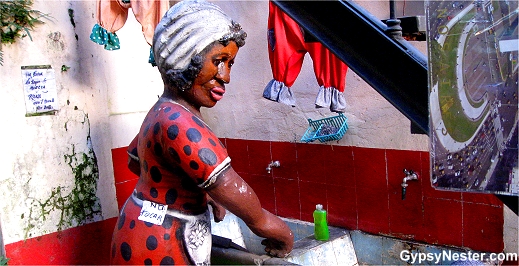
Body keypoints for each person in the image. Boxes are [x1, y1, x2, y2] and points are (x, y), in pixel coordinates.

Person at [110, 0, 294, 264]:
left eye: (229, 63)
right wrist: (276, 229)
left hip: (139, 227)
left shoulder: (161, 111)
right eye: (218, 61)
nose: (225, 76)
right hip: (162, 244)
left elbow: (134, 160)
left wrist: (194, 193)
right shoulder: (181, 124)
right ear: (183, 57)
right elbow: (231, 188)